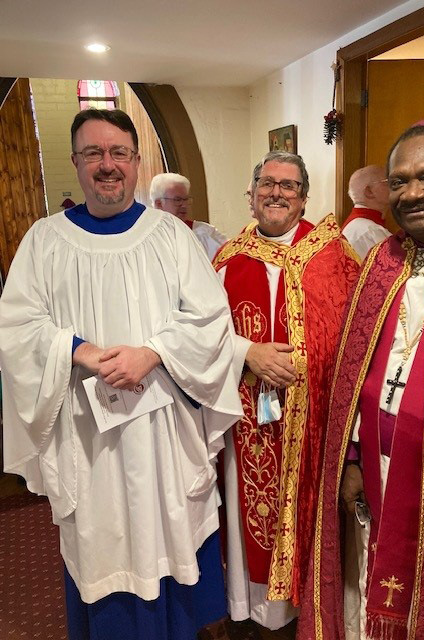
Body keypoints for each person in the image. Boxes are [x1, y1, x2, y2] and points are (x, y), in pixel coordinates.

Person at [0, 108, 244, 640]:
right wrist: (79, 350)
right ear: (75, 163)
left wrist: (152, 352)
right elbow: (16, 326)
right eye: (93, 153)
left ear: (136, 163)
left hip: (161, 431)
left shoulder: (171, 236)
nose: (106, 165)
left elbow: (209, 319)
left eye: (118, 153)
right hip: (88, 439)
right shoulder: (44, 240)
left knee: (168, 534)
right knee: (101, 541)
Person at [299, 121, 424, 640]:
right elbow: (353, 378)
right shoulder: (384, 260)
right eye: (399, 182)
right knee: (370, 578)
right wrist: (350, 459)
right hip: (375, 465)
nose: (413, 193)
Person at [213, 151, 359, 631]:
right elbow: (198, 334)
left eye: (289, 186)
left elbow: (357, 339)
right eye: (268, 184)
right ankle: (253, 609)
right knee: (247, 515)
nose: (277, 192)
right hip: (245, 420)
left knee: (308, 514)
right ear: (251, 195)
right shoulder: (226, 261)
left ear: (304, 198)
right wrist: (246, 353)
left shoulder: (333, 256)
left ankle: (306, 606)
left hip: (311, 426)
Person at [150, 172, 227, 260]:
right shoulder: (146, 239)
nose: (184, 205)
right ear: (159, 204)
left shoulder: (205, 233)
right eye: (178, 200)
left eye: (186, 199)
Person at [342, 165, 391, 260]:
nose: (395, 187)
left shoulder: (362, 226)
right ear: (369, 191)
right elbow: (394, 270)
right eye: (388, 182)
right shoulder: (367, 230)